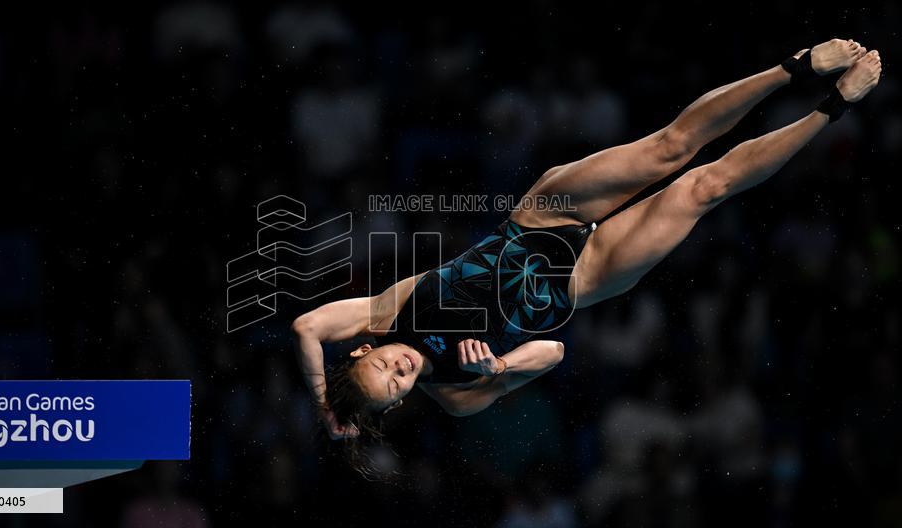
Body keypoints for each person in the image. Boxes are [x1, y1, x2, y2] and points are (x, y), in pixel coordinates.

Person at [291, 39, 882, 475]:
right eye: (394, 387)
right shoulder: (454, 393)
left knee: (669, 147)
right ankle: (831, 106)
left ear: (369, 347)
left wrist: (324, 405)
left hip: (541, 217)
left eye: (384, 365)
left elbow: (307, 325)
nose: (400, 372)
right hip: (584, 275)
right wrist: (500, 368)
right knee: (705, 188)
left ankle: (794, 67)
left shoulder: (386, 311)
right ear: (398, 404)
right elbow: (555, 351)